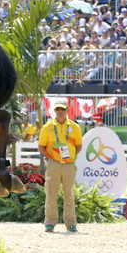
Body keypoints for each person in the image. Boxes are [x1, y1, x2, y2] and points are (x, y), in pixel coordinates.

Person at [38, 100, 82, 233]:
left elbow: (79, 146)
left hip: (69, 164)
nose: (60, 112)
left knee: (69, 194)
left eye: (62, 109)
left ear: (67, 111)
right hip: (53, 164)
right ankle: (50, 223)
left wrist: (69, 156)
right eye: (57, 109)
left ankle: (71, 223)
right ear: (54, 111)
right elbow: (41, 146)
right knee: (51, 193)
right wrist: (52, 156)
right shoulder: (47, 127)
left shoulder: (75, 127)